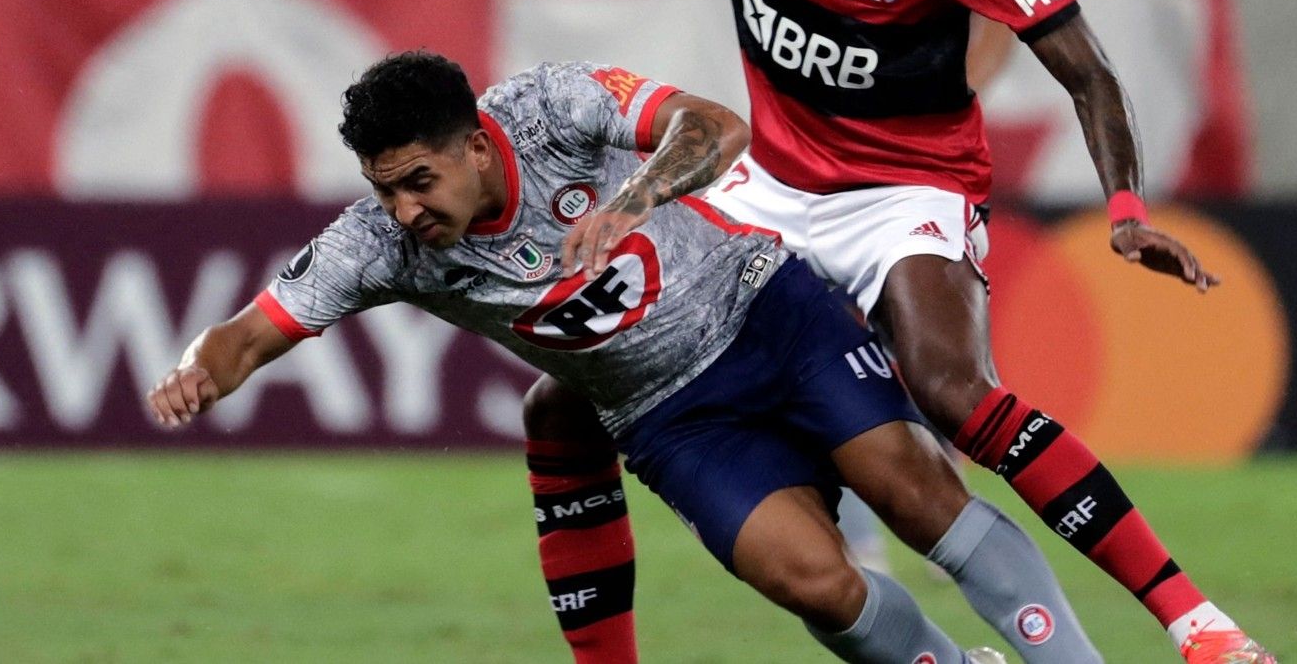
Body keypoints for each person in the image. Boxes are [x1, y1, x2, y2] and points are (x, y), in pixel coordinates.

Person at [524, 0, 1277, 662]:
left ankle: (1194, 622)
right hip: (768, 184)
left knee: (953, 391)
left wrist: (1124, 209)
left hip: (903, 190)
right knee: (571, 392)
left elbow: (1090, 71)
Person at [144, 50, 1096, 664]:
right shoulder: (379, 244)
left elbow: (717, 125)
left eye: (419, 182)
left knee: (920, 498)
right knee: (812, 581)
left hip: (770, 316)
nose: (406, 212)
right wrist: (199, 370)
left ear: (478, 146)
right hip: (671, 415)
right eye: (384, 190)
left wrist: (632, 199)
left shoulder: (552, 106)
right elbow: (247, 331)